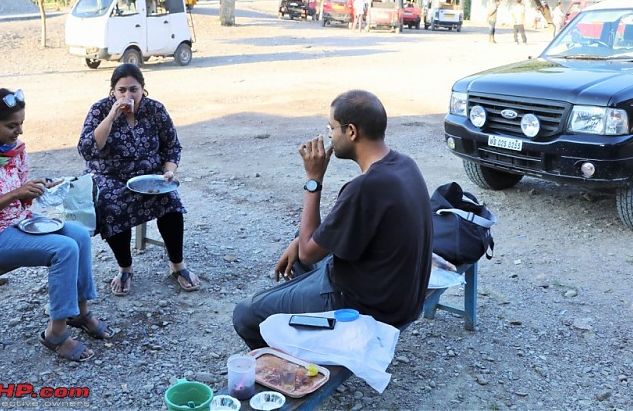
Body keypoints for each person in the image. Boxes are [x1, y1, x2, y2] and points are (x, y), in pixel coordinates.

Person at [232, 90, 433, 350]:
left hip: (368, 306)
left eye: (332, 127)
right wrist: (302, 244)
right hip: (401, 295)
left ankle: (301, 363)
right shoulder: (404, 164)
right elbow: (320, 238)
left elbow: (307, 254)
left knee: (246, 314)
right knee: (301, 239)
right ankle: (305, 317)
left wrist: (314, 180)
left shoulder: (364, 188)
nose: (329, 135)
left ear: (351, 131)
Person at [0, 88, 111, 363]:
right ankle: (56, 333)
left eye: (21, 124)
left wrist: (40, 188)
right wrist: (16, 195)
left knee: (78, 235)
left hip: (17, 224)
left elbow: (21, 192)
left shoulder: (14, 151)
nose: (18, 131)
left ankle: (80, 311)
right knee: (63, 249)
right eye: (11, 125)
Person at [78, 63, 200, 296]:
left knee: (171, 203)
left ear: (143, 89)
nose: (127, 95)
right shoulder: (100, 110)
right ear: (112, 90)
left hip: (148, 175)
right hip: (108, 175)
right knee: (111, 204)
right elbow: (87, 149)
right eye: (121, 90)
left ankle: (177, 264)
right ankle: (125, 267)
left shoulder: (155, 110)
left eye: (133, 89)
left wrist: (169, 171)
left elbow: (172, 146)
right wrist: (111, 116)